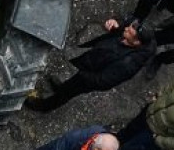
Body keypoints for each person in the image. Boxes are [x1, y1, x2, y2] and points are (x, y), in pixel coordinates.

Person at [25, 18, 155, 112]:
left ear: (137, 42)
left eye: (129, 31)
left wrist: (84, 75)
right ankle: (61, 87)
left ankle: (44, 106)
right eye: (129, 26)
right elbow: (124, 26)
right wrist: (115, 25)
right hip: (94, 59)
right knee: (68, 85)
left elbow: (103, 81)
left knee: (69, 91)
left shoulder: (128, 64)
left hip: (90, 76)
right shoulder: (134, 33)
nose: (126, 28)